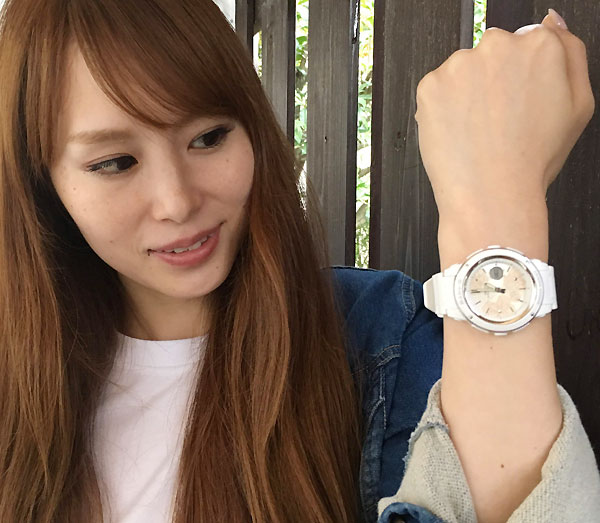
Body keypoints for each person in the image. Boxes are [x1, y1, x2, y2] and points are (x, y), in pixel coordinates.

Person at [0, 0, 597, 521]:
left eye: (208, 137)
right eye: (114, 163)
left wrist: (495, 205)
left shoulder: (381, 340)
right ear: (40, 181)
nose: (177, 201)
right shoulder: (19, 374)